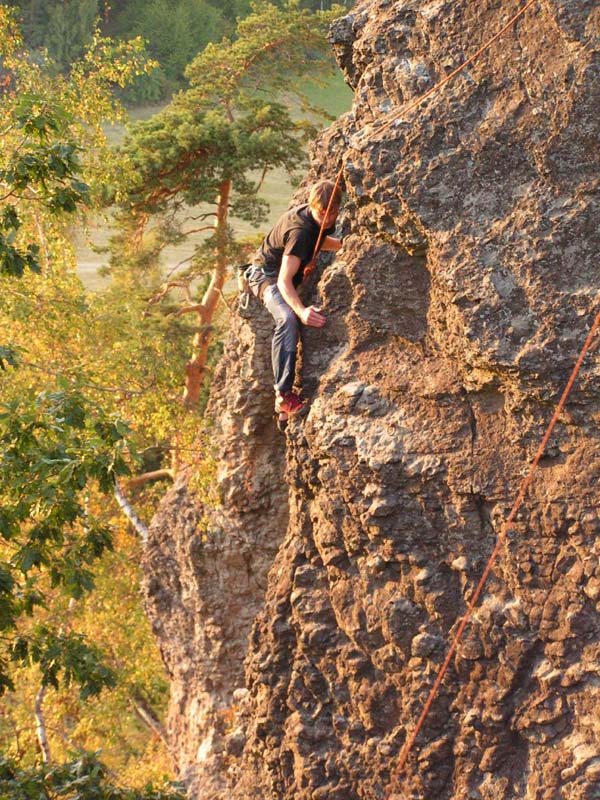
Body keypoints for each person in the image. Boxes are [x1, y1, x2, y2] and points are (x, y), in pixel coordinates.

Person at [246, 179, 343, 416]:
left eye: (333, 213)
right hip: (264, 278)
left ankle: (282, 414)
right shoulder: (300, 232)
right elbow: (283, 281)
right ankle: (283, 395)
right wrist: (302, 311)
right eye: (323, 213)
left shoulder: (317, 222)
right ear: (312, 206)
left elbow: (319, 241)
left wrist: (344, 245)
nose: (328, 218)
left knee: (291, 315)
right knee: (288, 318)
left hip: (279, 275)